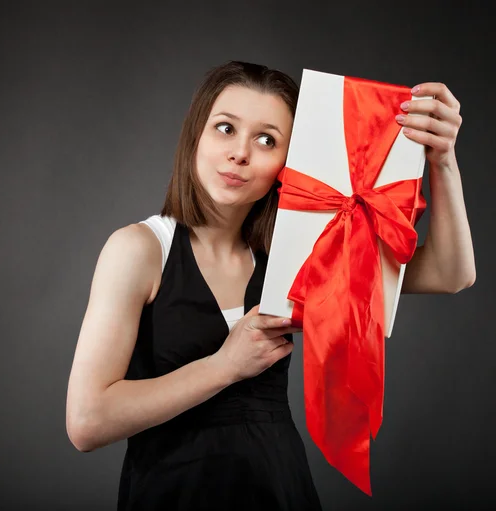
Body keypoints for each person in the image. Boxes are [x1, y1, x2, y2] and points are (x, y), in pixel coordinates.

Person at [65, 61, 475, 510]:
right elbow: (87, 422)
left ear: (288, 162)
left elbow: (450, 274)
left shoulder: (297, 253)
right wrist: (224, 366)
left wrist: (443, 161)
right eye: (225, 128)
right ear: (195, 136)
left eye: (267, 140)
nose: (241, 153)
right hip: (172, 494)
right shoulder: (139, 249)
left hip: (281, 490)